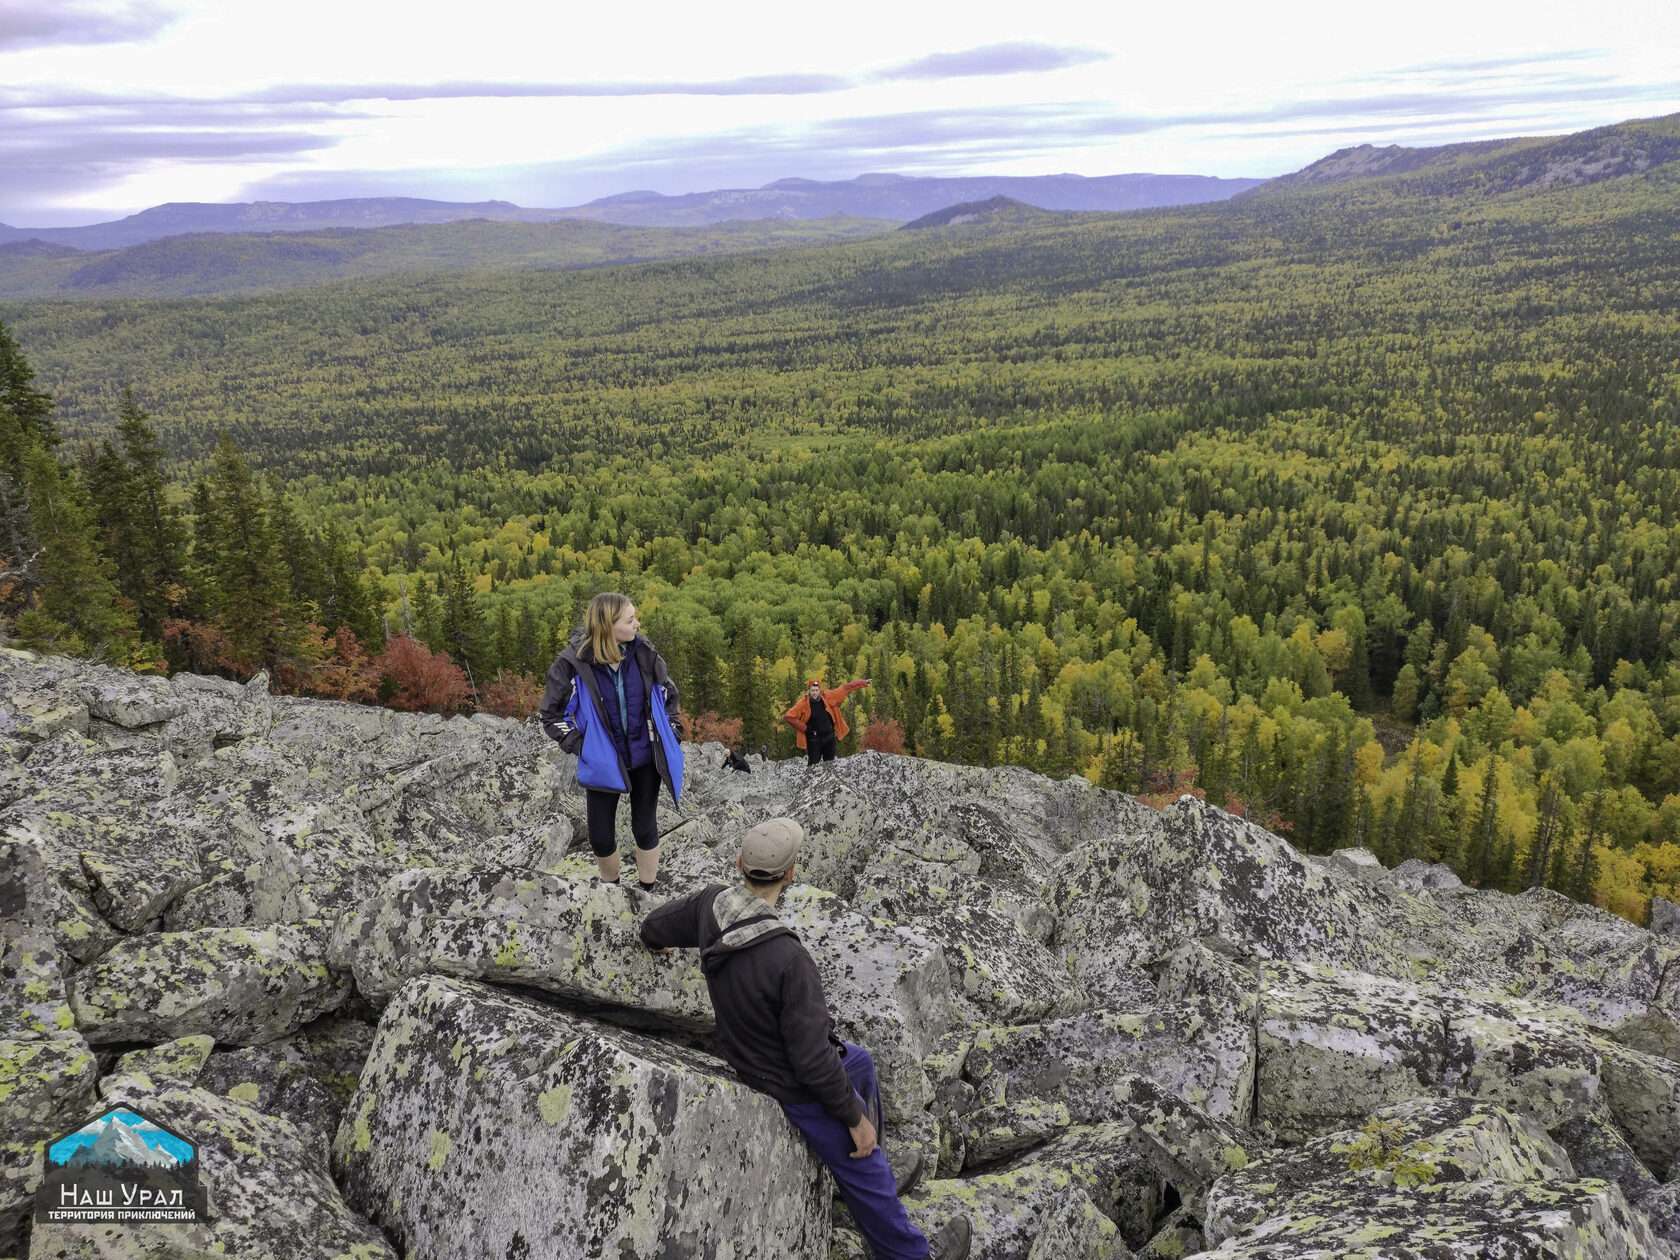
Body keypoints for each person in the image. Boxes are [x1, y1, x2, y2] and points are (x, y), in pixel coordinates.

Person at [639, 818, 972, 1260]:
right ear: (791, 874)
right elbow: (812, 1061)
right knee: (858, 1136)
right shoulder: (789, 960)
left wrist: (655, 942)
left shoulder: (710, 905)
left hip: (749, 1055)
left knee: (861, 1062)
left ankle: (877, 1179)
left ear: (739, 864)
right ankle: (905, 1243)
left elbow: (654, 926)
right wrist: (855, 1118)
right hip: (790, 1084)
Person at [539, 592, 685, 888]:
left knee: (644, 828)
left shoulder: (643, 652)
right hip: (604, 761)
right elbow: (552, 714)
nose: (637, 624)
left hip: (645, 756)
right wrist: (583, 745)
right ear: (608, 625)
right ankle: (612, 890)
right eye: (630, 620)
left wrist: (672, 731)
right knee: (600, 836)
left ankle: (648, 890)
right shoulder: (572, 663)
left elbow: (668, 695)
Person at [785, 678, 871, 765]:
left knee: (830, 764)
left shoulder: (828, 696)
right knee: (813, 765)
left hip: (829, 737)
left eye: (816, 690)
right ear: (809, 690)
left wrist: (863, 683)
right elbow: (789, 716)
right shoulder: (803, 703)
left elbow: (846, 688)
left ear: (820, 690)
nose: (814, 693)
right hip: (814, 739)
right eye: (812, 690)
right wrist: (805, 729)